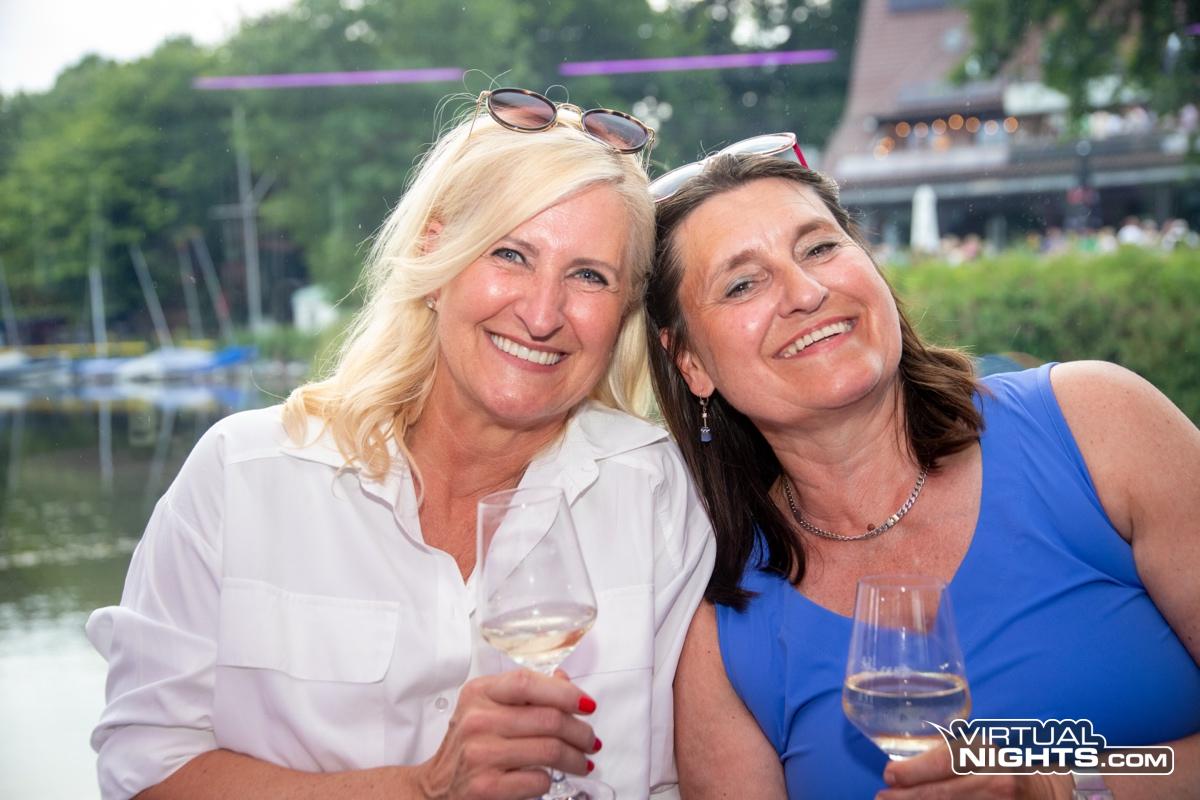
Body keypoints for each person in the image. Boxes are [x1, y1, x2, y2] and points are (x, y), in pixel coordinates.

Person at [86, 88, 714, 800]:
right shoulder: (244, 475)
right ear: (433, 253)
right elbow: (146, 769)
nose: (543, 314)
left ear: (625, 309)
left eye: (589, 276)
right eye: (510, 254)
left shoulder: (662, 497)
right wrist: (423, 788)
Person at [642, 147, 1200, 798]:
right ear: (690, 363)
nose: (806, 293)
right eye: (742, 284)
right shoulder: (720, 627)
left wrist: (1063, 787)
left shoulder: (1097, 424)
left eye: (819, 248)